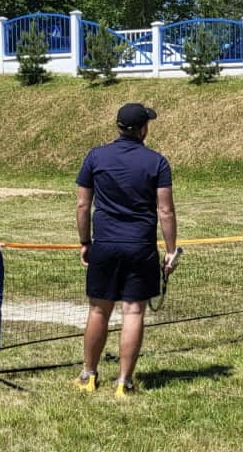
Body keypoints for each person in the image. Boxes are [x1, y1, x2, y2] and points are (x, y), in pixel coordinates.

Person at [74, 103, 179, 397]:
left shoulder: (95, 156)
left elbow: (82, 205)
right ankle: (124, 382)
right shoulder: (157, 162)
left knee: (98, 310)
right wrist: (171, 250)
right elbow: (165, 211)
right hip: (140, 246)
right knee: (133, 312)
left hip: (104, 245)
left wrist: (85, 242)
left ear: (119, 127)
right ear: (143, 129)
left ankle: (88, 375)